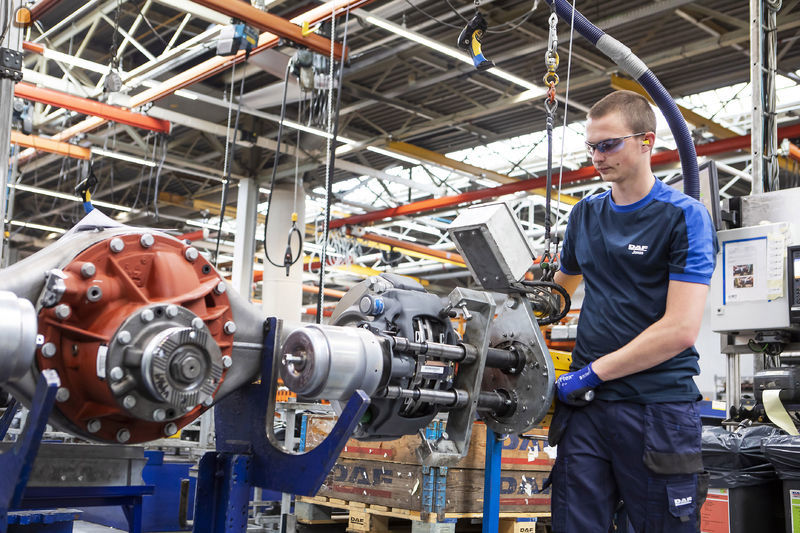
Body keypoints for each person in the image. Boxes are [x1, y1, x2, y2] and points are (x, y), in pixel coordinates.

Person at [549, 90, 717, 532]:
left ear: (646, 141)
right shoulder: (584, 215)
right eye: (591, 147)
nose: (597, 158)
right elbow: (556, 299)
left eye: (609, 145)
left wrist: (592, 372)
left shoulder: (684, 217)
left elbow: (680, 329)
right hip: (586, 411)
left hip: (655, 408)